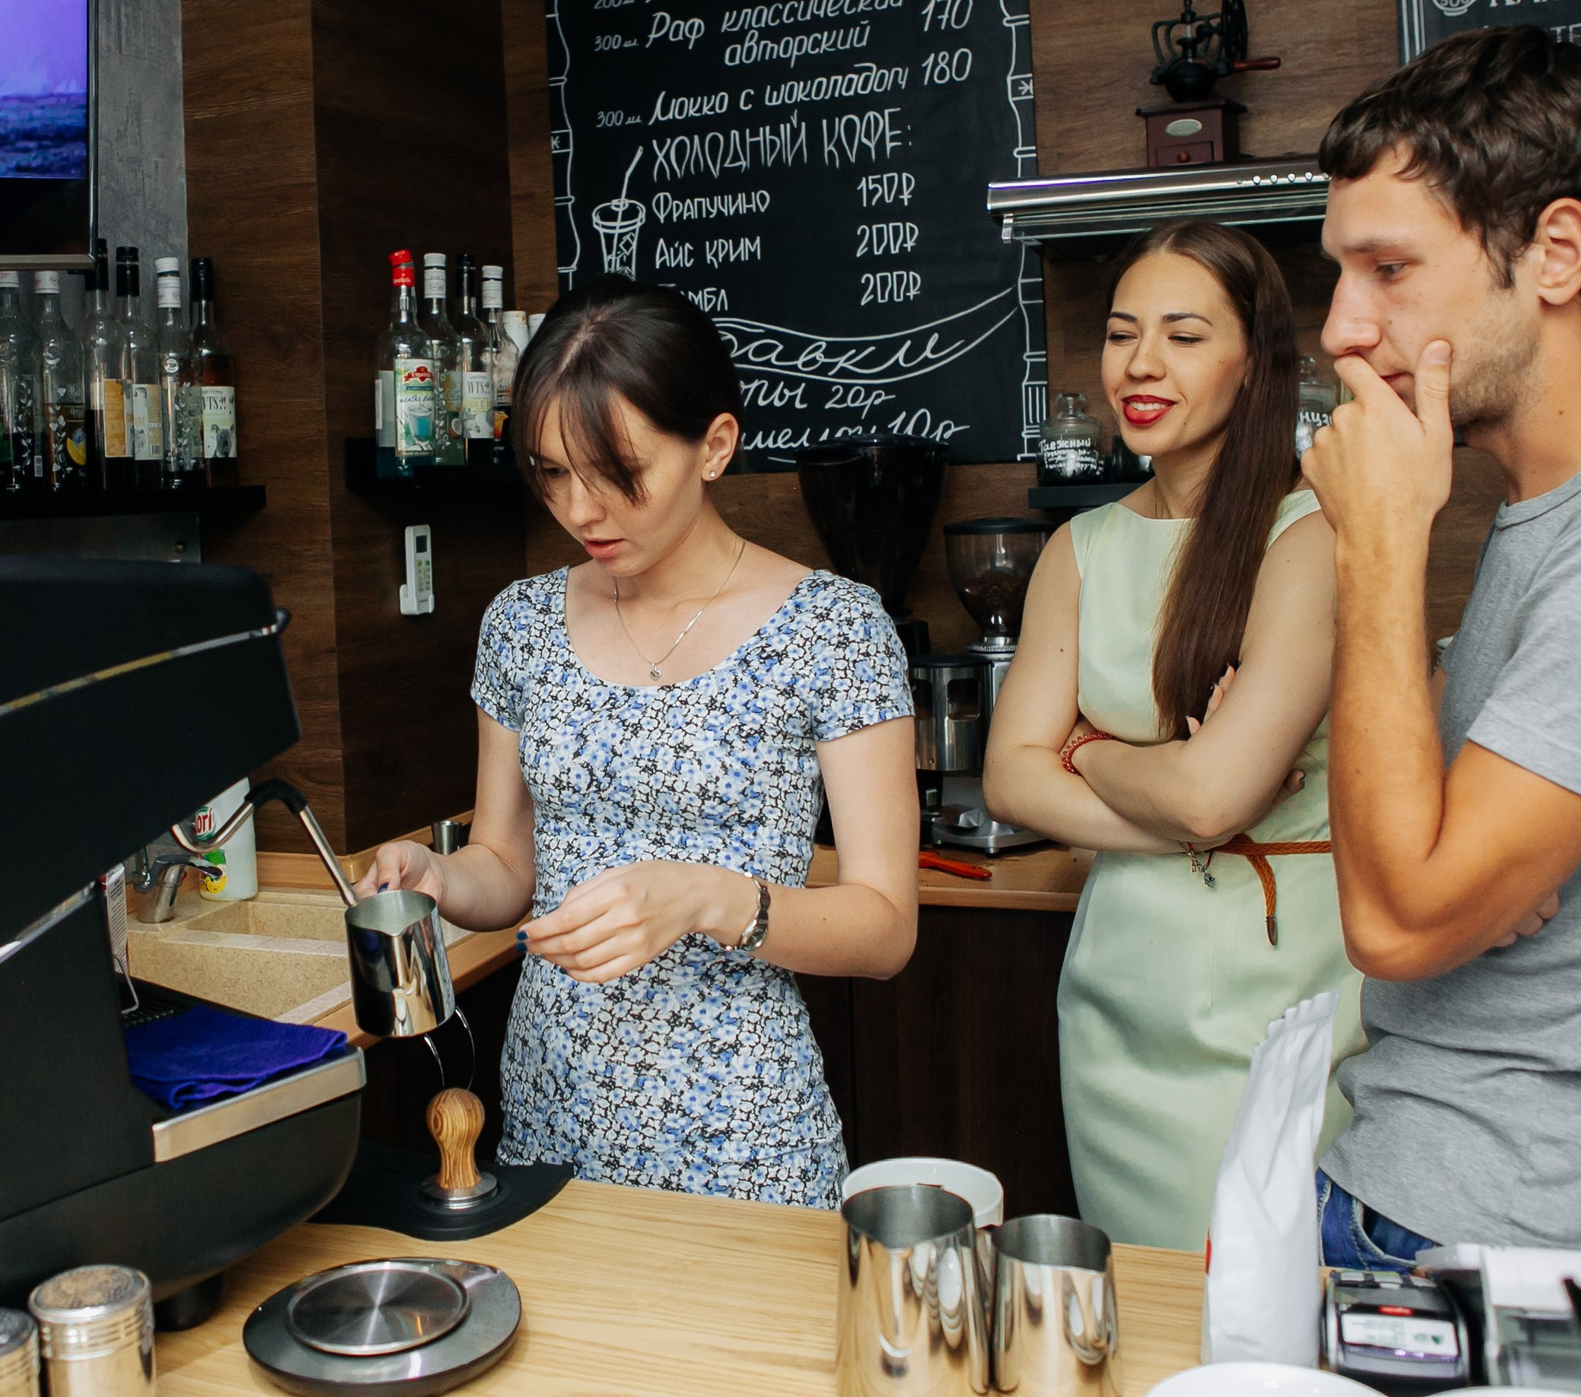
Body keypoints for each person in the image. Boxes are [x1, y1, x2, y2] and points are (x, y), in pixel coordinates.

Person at [355, 274, 918, 1207]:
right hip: (550, 1108)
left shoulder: (833, 628)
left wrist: (702, 896)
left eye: (617, 472)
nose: (581, 510)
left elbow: (885, 927)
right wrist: (440, 878)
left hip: (742, 1130)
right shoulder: (522, 623)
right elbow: (507, 867)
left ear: (714, 446)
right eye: (552, 472)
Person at [983, 219, 1363, 1253]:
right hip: (1117, 995)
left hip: (1274, 992)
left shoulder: (1309, 538)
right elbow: (1009, 778)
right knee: (1140, 1304)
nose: (1140, 364)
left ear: (1255, 364)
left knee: (1259, 1291)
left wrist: (1088, 752)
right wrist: (1189, 794)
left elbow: (1206, 795)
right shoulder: (1081, 546)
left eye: (1184, 336)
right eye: (1121, 333)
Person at [1304, 25, 1581, 1263]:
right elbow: (1414, 849)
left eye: (1388, 269)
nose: (1339, 328)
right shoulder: (1531, 520)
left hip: (1499, 1239)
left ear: (1555, 254)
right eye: (1339, 273)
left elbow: (1398, 920)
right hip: (1418, 1190)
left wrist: (1374, 544)